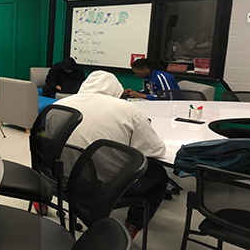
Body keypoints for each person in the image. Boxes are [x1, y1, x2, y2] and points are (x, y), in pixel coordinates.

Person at [58, 70, 168, 240]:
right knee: (159, 174)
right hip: (106, 185)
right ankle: (133, 224)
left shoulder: (61, 104)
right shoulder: (128, 110)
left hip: (61, 178)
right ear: (116, 89)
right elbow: (156, 151)